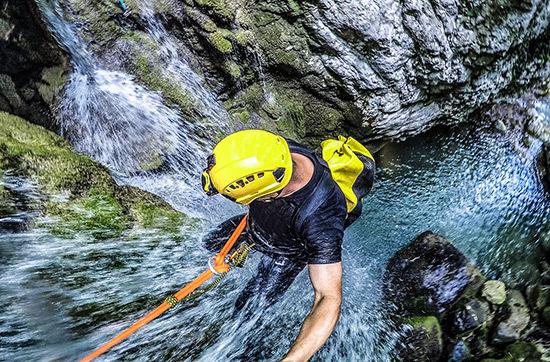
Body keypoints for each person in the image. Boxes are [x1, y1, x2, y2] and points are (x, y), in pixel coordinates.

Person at [201, 130, 375, 361]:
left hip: (288, 250)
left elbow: (328, 297)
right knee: (209, 243)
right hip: (256, 226)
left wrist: (294, 359)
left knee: (249, 306)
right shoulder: (273, 151)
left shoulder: (320, 217)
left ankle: (245, 352)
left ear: (268, 192)